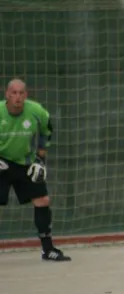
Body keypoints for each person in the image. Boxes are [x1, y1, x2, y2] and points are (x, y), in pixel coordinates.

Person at [0, 79, 71, 261]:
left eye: (21, 93)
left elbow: (47, 130)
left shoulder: (37, 111)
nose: (17, 97)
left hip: (25, 163)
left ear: (26, 94)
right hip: (1, 163)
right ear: (6, 94)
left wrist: (41, 158)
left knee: (43, 200)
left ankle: (47, 250)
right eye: (13, 93)